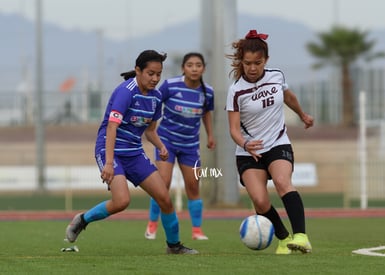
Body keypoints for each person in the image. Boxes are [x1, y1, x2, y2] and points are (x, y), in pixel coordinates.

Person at [65, 50, 198, 255]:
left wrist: (161, 146)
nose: (155, 79)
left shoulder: (156, 97)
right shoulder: (126, 91)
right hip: (110, 150)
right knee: (122, 201)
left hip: (134, 152)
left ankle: (174, 246)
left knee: (164, 197)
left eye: (158, 74)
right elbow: (111, 127)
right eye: (150, 73)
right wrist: (109, 163)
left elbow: (150, 130)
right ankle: (82, 220)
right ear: (138, 71)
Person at [225, 30, 314, 254]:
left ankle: (302, 237)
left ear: (266, 60)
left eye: (258, 63)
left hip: (277, 142)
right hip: (248, 152)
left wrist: (302, 114)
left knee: (283, 182)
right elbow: (234, 130)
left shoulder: (276, 76)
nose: (253, 68)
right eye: (248, 63)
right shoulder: (236, 91)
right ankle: (284, 239)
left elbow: (289, 97)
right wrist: (245, 144)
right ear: (241, 62)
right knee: (260, 201)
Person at [144, 52, 216, 241]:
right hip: (166, 141)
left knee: (193, 187)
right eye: (190, 65)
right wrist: (151, 127)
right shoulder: (170, 85)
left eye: (198, 65)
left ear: (203, 69)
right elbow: (155, 103)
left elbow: (207, 113)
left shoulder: (207, 91)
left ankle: (197, 230)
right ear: (183, 68)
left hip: (191, 145)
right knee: (163, 184)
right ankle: (152, 225)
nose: (194, 68)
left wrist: (210, 135)